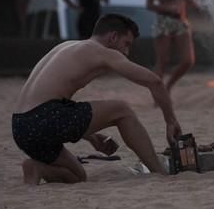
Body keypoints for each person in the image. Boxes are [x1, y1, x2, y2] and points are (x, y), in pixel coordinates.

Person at [12, 13, 182, 185]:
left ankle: (37, 168)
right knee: (122, 110)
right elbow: (155, 81)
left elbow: (52, 103)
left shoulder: (66, 46)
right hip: (43, 118)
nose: (126, 52)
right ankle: (159, 171)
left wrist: (91, 137)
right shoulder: (102, 52)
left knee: (77, 176)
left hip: (21, 127)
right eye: (126, 44)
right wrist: (171, 120)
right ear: (113, 36)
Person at [146, 0, 196, 91]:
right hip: (164, 21)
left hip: (181, 20)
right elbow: (149, 5)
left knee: (188, 60)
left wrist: (197, 4)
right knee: (162, 61)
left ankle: (168, 86)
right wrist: (167, 7)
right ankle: (157, 92)